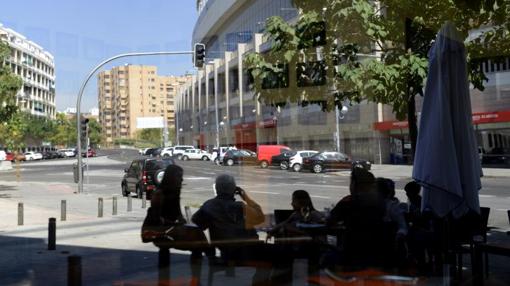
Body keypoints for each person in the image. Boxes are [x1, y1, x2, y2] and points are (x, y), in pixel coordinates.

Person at [192, 174, 270, 285]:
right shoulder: (240, 207)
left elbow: (196, 223)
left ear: (217, 189)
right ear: (234, 190)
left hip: (225, 252)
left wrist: (210, 253)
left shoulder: (209, 205)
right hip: (246, 253)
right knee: (278, 255)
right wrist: (245, 197)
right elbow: (260, 217)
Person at [141, 164, 210, 280]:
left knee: (197, 236)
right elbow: (157, 220)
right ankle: (200, 272)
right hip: (161, 233)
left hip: (170, 231)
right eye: (179, 176)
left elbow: (178, 214)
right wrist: (177, 225)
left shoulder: (174, 193)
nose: (182, 179)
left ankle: (195, 276)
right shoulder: (159, 194)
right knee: (197, 244)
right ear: (171, 177)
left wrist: (183, 223)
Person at [325, 167, 389, 269]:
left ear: (355, 185)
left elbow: (329, 221)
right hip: (379, 249)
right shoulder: (381, 202)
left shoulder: (348, 201)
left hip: (352, 250)